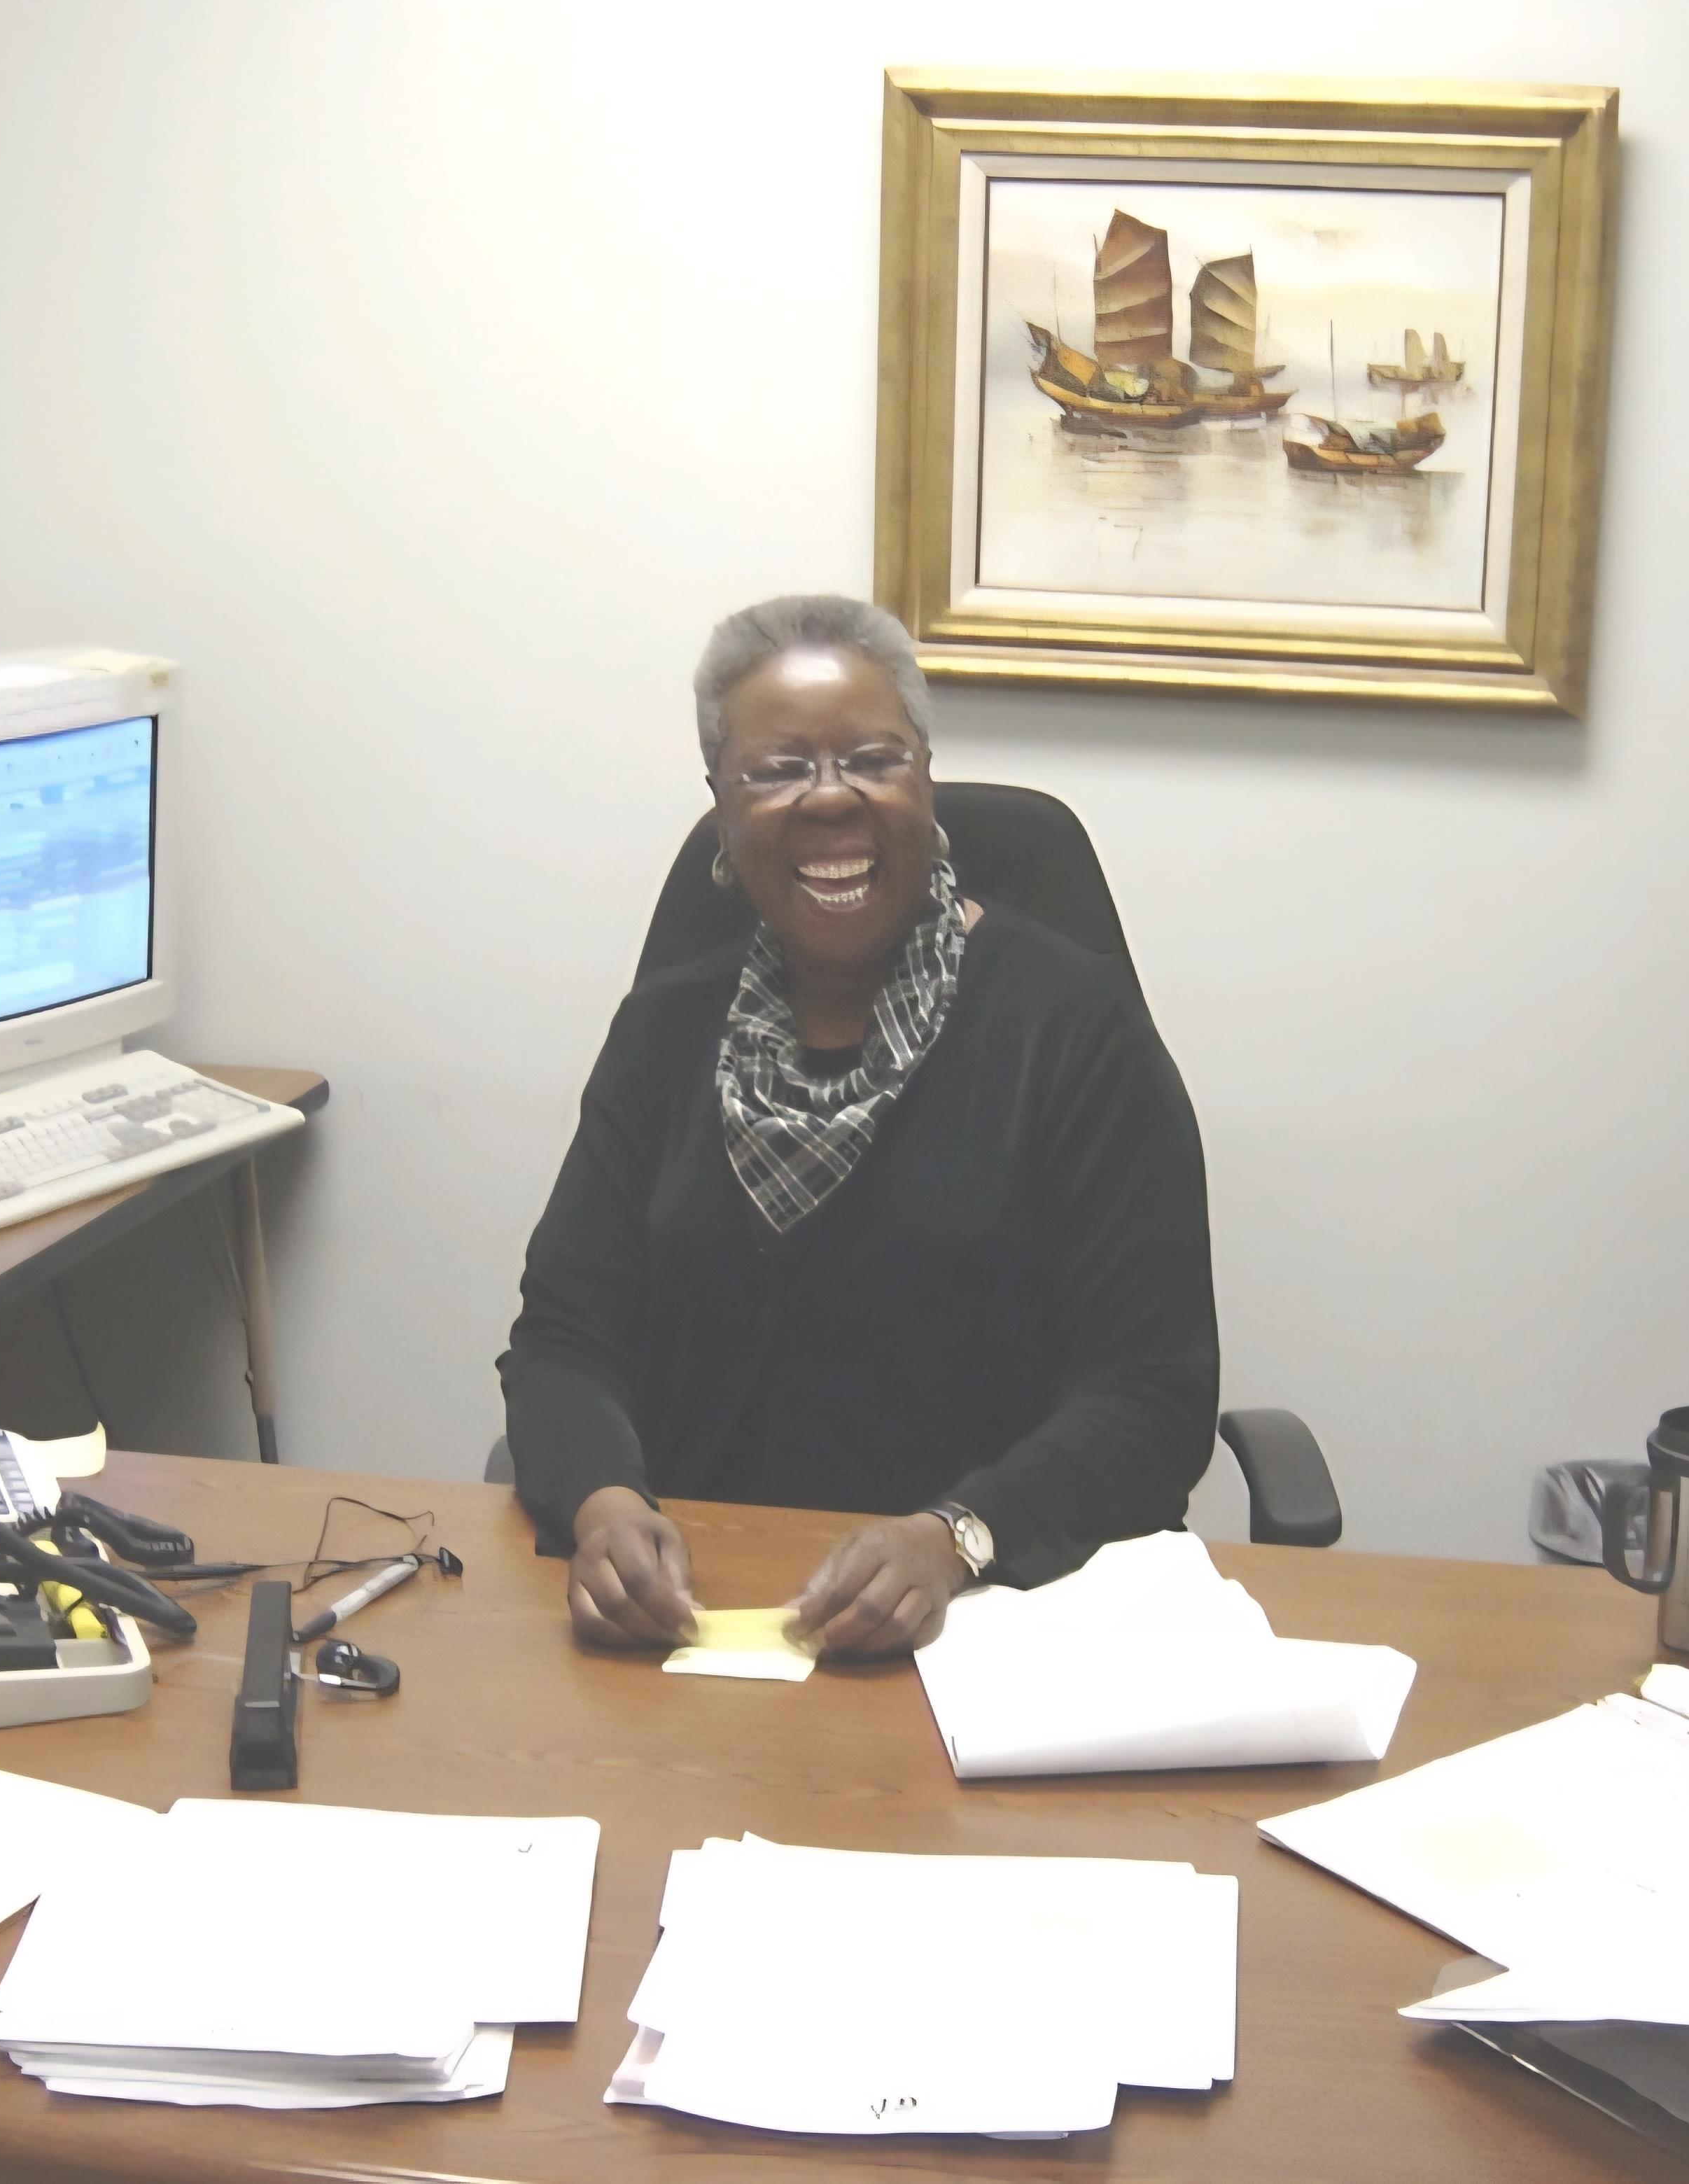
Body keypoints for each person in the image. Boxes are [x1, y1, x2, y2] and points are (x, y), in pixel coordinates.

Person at [500, 594, 1219, 1657]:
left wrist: (956, 1538)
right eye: (779, 770)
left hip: (998, 1623)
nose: (830, 801)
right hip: (702, 1625)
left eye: (873, 760)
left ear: (924, 779)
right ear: (721, 801)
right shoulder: (667, 1029)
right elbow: (565, 1339)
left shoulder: (1071, 1031)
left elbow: (1154, 1395)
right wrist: (603, 1503)